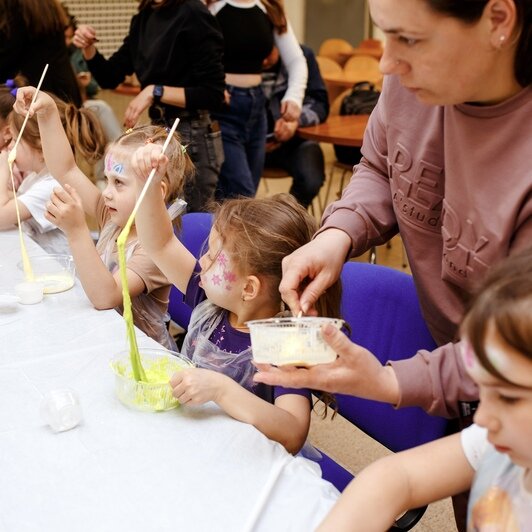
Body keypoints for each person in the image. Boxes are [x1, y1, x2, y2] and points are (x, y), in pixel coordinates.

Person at [255, 0, 532, 421]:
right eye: (385, 33)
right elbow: (383, 167)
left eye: (409, 39)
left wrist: (389, 382)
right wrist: (337, 235)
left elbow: (516, 349)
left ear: (498, 19)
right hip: (460, 361)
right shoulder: (412, 81)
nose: (386, 63)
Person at [131, 141, 341, 453]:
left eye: (214, 257)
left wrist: (220, 389)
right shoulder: (211, 301)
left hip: (246, 462)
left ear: (249, 289)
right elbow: (160, 243)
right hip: (195, 444)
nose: (202, 261)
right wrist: (149, 185)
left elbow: (294, 431)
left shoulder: (286, 342)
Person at [317, 247, 532, 531]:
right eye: (482, 390)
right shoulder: (498, 445)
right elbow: (396, 479)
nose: (480, 419)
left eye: (508, 397)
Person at [14, 86, 191, 350]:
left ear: (156, 190)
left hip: (143, 359)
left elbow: (106, 296)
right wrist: (48, 111)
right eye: (107, 181)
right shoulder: (112, 217)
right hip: (104, 342)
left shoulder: (152, 252)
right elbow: (65, 169)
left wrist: (77, 232)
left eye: (119, 183)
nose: (106, 193)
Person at [71, 0, 225, 213]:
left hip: (193, 135)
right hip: (160, 132)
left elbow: (212, 93)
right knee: (160, 219)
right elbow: (110, 77)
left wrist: (155, 91)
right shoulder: (143, 18)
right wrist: (88, 49)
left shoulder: (193, 12)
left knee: (188, 223)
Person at [205, 0, 308, 200]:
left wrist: (294, 97)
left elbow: (297, 61)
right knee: (242, 195)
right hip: (222, 110)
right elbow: (191, 55)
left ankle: (224, 231)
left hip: (256, 110)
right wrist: (213, 83)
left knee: (244, 197)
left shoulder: (269, 8)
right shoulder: (212, 7)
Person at [1, 90, 104, 255]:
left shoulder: (52, 185)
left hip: (62, 271)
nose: (10, 146)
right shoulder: (34, 177)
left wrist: (2, 170)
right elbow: (11, 199)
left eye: (15, 139)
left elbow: (2, 216)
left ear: (41, 147)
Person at [262, 44, 329, 209]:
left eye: (268, 52)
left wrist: (295, 121)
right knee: (234, 185)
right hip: (247, 143)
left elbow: (320, 104)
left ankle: (287, 218)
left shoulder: (303, 56)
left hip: (295, 141)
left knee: (311, 178)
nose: (263, 61)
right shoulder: (235, 58)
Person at [62, 6, 122, 183]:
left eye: (69, 37)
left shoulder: (77, 53)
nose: (67, 42)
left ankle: (109, 170)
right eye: (63, 37)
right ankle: (116, 160)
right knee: (100, 109)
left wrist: (86, 83)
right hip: (58, 108)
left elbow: (98, 85)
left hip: (80, 105)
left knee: (99, 114)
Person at [0, 0, 82, 107]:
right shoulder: (46, 6)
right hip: (61, 93)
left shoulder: (15, 8)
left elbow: (6, 55)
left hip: (37, 95)